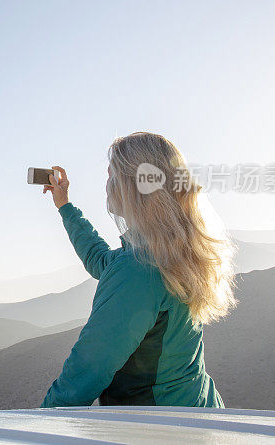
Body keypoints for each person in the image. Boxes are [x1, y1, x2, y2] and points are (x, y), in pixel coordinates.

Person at [40, 132, 236, 408]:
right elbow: (104, 262)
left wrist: (41, 423)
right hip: (196, 410)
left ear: (134, 185)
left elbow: (87, 370)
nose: (107, 184)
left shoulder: (139, 270)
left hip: (159, 426)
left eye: (112, 175)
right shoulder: (172, 249)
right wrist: (65, 206)